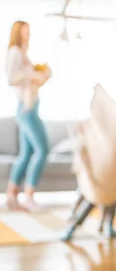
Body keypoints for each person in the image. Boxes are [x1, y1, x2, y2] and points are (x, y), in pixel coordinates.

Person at [4, 21, 52, 212]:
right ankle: (29, 196)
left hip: (30, 105)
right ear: (18, 32)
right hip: (27, 108)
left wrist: (41, 75)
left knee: (26, 154)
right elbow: (10, 78)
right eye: (25, 32)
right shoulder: (15, 52)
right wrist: (31, 76)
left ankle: (11, 193)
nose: (28, 35)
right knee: (42, 150)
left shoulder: (24, 54)